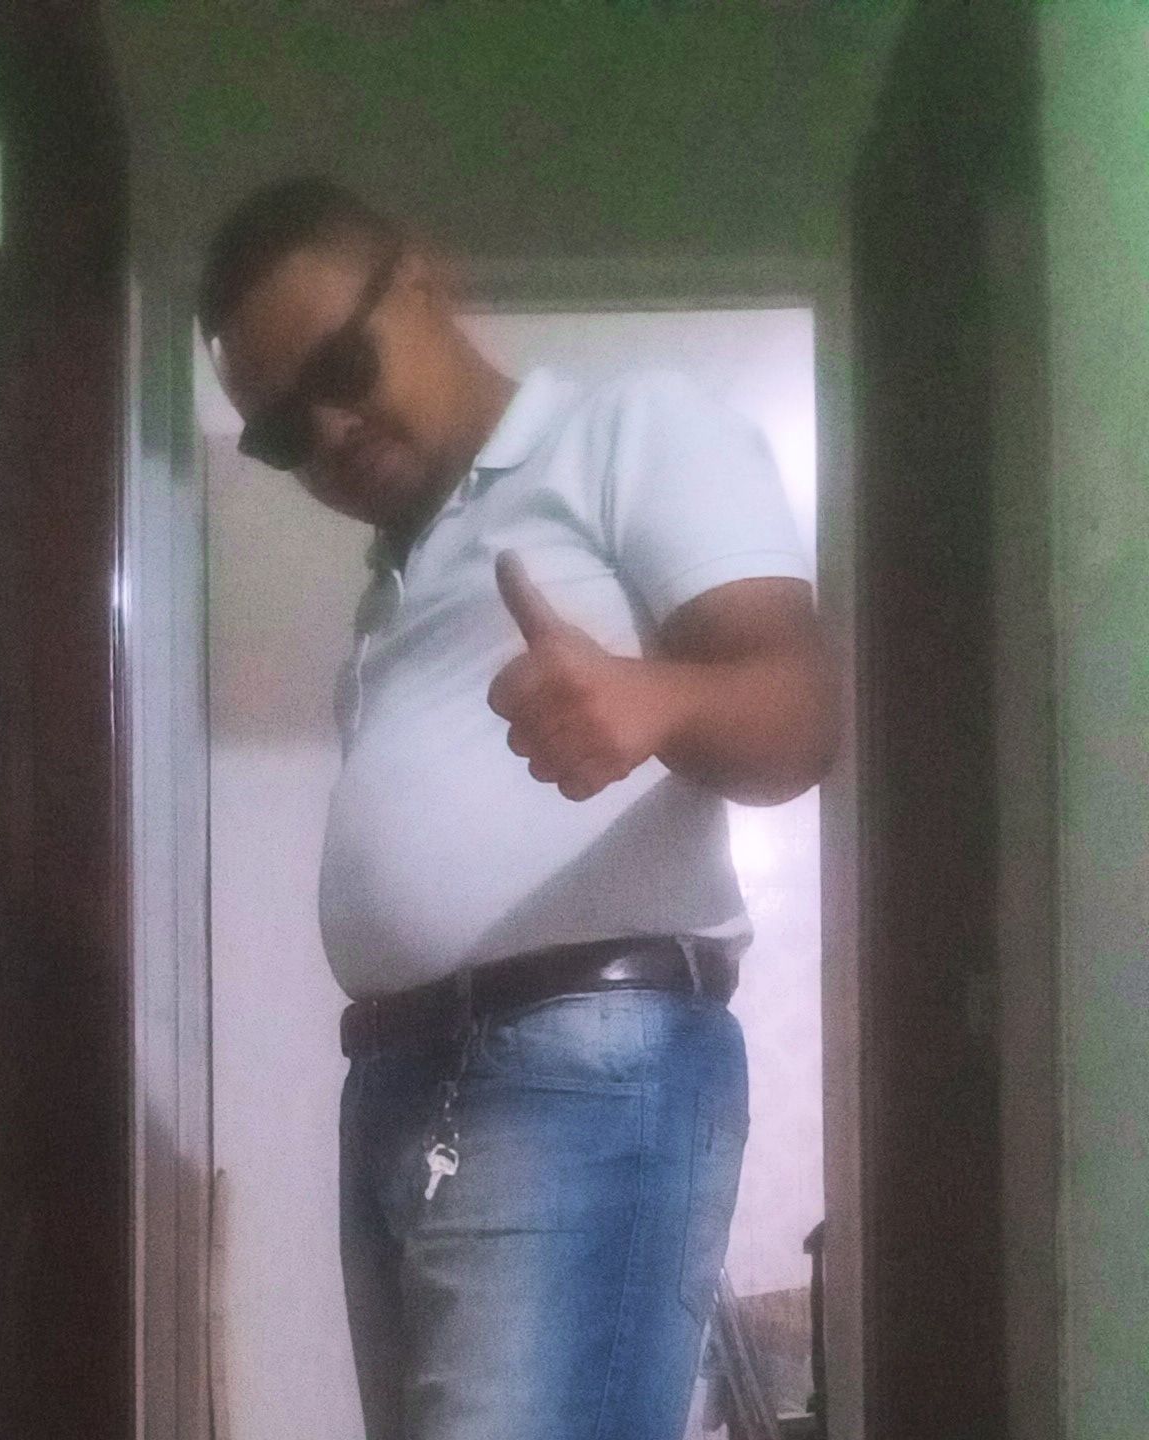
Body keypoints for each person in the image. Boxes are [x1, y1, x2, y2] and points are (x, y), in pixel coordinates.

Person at [197, 176, 840, 1440]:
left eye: (340, 367)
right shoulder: (392, 589)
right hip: (402, 1081)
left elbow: (806, 708)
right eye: (280, 431)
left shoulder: (628, 431)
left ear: (422, 280)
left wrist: (657, 699)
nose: (328, 429)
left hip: (574, 1067)